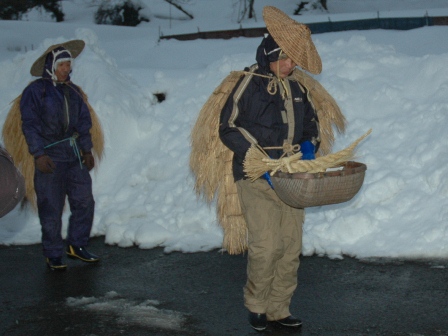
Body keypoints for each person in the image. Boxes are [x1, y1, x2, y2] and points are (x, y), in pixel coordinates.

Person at [219, 6, 323, 331]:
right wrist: (257, 159)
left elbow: (312, 125)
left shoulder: (298, 88)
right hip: (256, 176)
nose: (291, 66)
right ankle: (257, 305)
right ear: (270, 54)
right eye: (286, 59)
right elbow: (228, 126)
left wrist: (309, 147)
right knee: (267, 246)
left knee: (291, 247)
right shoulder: (248, 83)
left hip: (291, 177)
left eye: (293, 60)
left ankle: (280, 308)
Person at [19, 40, 100, 271]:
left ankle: (77, 245)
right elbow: (30, 124)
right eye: (62, 64)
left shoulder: (73, 92)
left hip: (74, 155)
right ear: (51, 66)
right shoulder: (35, 91)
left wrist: (87, 150)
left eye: (68, 64)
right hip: (50, 156)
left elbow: (84, 122)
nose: (66, 69)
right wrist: (38, 154)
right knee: (51, 206)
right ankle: (53, 253)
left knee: (84, 201)